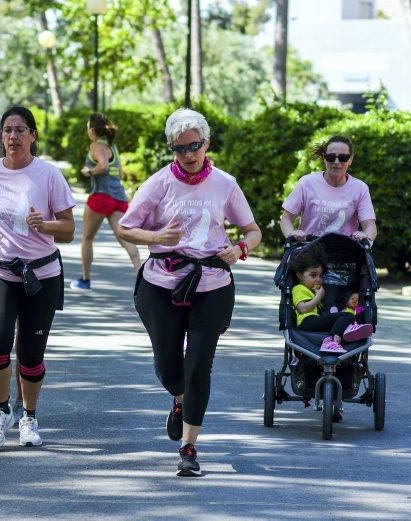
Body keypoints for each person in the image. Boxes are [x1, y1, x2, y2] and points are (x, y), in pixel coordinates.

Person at [117, 108, 262, 477]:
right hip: (161, 284)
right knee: (169, 366)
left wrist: (240, 249)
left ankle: (189, 447)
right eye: (180, 148)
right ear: (171, 150)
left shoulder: (225, 184)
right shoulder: (158, 183)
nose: (188, 154)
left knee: (198, 364)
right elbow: (126, 228)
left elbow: (252, 230)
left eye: (194, 145)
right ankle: (179, 399)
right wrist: (156, 237)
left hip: (211, 284)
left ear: (206, 143)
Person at [0, 106, 76, 449]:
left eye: (20, 130)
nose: (13, 137)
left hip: (40, 274)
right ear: (0, 136)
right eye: (8, 130)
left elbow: (70, 229)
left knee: (31, 353)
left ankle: (29, 415)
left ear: (32, 136)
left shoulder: (48, 175)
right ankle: (0, 412)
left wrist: (46, 225)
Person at [280, 135, 377, 311]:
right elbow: (286, 218)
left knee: (342, 299)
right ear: (324, 158)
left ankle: (341, 325)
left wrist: (366, 236)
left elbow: (370, 225)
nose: (337, 162)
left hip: (344, 258)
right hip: (311, 256)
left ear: (351, 159)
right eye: (331, 157)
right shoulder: (307, 183)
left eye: (343, 157)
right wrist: (291, 234)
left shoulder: (360, 188)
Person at [71, 113, 141, 292]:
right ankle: (142, 280)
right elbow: (119, 172)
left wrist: (89, 172)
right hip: (118, 198)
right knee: (126, 239)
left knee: (87, 239)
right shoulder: (113, 147)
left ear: (92, 130)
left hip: (101, 197)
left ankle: (85, 280)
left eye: (88, 128)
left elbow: (103, 166)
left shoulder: (96, 145)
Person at [291, 243, 373, 354]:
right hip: (306, 322)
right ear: (300, 275)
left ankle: (349, 328)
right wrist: (319, 297)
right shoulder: (299, 288)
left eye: (320, 275)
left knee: (348, 316)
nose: (318, 279)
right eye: (313, 275)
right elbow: (303, 309)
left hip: (313, 321)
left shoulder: (311, 290)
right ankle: (331, 341)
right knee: (347, 316)